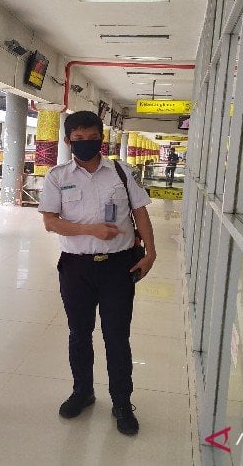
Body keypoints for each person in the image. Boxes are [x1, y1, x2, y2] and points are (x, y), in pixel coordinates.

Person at [39, 111, 157, 436]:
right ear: (68, 141)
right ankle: (83, 392)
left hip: (118, 267)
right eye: (77, 139)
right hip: (76, 269)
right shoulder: (57, 177)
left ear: (100, 139)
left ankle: (121, 402)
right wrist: (90, 229)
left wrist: (151, 253)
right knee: (79, 334)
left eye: (90, 137)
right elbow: (50, 222)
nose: (84, 143)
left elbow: (140, 213)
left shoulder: (120, 172)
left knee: (117, 337)